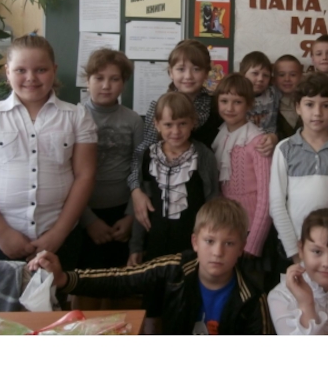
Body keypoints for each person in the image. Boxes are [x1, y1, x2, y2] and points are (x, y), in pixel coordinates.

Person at [29, 198, 274, 335]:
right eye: (209, 241)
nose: (218, 252)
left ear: (242, 248)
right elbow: (121, 278)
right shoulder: (175, 268)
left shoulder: (253, 299)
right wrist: (64, 279)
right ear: (195, 242)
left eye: (229, 243)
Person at [0, 33, 97, 269]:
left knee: (57, 294)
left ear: (54, 70)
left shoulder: (77, 116)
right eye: (20, 70)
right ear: (7, 72)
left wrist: (58, 233)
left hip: (59, 238)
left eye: (41, 70)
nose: (31, 77)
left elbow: (85, 176)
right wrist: (2, 234)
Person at [269, 73, 328, 263]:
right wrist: (294, 251)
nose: (317, 112)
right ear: (298, 107)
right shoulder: (284, 149)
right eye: (309, 104)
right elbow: (277, 204)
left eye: (326, 105)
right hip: (292, 246)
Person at [129, 39, 221, 231]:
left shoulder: (217, 106)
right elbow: (143, 151)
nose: (188, 76)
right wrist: (136, 190)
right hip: (163, 198)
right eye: (180, 69)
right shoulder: (159, 107)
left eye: (196, 69)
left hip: (204, 196)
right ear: (170, 72)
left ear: (206, 72)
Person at [127, 92, 219, 264]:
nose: (176, 131)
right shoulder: (148, 156)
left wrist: (210, 243)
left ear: (193, 122)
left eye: (182, 123)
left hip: (193, 245)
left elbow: (212, 201)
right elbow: (142, 207)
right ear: (156, 124)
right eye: (168, 125)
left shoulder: (204, 155)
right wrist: (136, 246)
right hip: (155, 242)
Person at [78, 49, 142, 272]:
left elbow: (139, 168)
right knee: (86, 279)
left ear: (123, 83)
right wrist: (88, 220)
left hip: (122, 211)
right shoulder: (73, 117)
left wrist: (131, 215)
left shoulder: (133, 120)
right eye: (99, 78)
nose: (106, 85)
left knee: (119, 278)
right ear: (87, 81)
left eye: (114, 79)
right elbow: (65, 174)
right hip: (81, 211)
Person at [211, 74, 272, 259]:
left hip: (251, 228)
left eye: (237, 102)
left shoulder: (257, 141)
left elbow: (267, 196)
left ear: (249, 104)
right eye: (224, 101)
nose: (229, 108)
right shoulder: (220, 135)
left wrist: (253, 242)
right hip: (226, 225)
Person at [238, 51, 279, 155]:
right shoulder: (235, 94)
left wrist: (274, 137)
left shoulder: (273, 93)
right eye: (255, 73)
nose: (260, 79)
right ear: (243, 74)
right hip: (242, 146)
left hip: (268, 146)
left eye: (266, 75)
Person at [273, 54, 303, 140]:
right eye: (281, 75)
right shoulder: (268, 104)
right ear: (274, 78)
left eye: (293, 75)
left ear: (301, 76)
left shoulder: (309, 102)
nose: (287, 79)